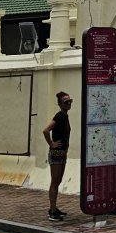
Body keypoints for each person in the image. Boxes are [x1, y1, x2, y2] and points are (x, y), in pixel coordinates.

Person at [42, 91, 73, 221]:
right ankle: (52, 210)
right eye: (66, 102)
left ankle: (54, 208)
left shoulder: (65, 116)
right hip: (56, 153)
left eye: (70, 101)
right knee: (55, 181)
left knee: (58, 180)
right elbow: (45, 130)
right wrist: (51, 143)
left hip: (62, 152)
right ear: (60, 104)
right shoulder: (59, 116)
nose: (69, 104)